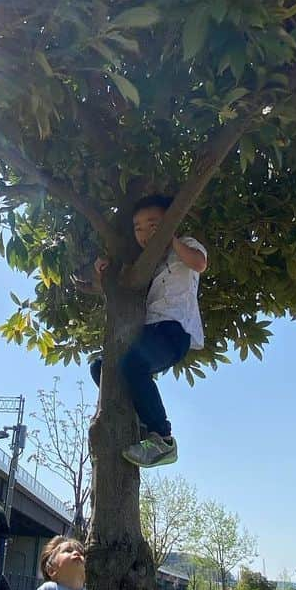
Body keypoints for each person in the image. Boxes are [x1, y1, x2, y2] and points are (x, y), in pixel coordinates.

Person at [89, 194, 207, 468]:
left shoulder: (185, 246)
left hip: (174, 331)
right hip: (150, 332)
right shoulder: (147, 261)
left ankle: (163, 438)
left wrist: (171, 240)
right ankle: (139, 422)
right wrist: (103, 269)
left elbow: (199, 263)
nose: (145, 232)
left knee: (134, 365)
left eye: (154, 225)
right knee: (100, 368)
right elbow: (123, 286)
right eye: (138, 227)